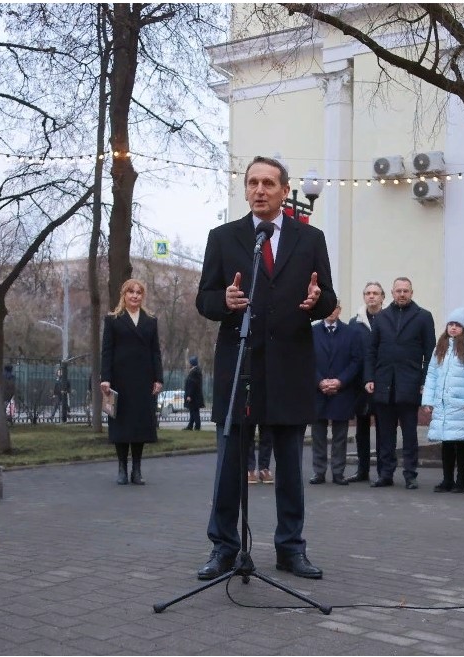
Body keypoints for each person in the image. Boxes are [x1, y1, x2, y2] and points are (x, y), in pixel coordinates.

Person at [195, 155, 336, 581]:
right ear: (245, 190)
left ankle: (291, 549)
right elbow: (205, 298)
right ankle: (223, 548)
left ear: (283, 190)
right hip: (239, 367)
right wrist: (226, 302)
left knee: (290, 468)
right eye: (253, 183)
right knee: (229, 467)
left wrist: (318, 303)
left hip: (290, 367)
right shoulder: (224, 238)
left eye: (268, 183)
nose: (259, 190)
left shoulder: (310, 239)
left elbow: (328, 296)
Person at [364, 277, 435, 490]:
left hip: (410, 384)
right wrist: (369, 377)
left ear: (412, 293)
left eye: (405, 291)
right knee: (385, 433)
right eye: (398, 291)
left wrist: (424, 382)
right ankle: (385, 473)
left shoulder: (423, 317)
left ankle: (410, 474)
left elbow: (429, 353)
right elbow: (371, 351)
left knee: (410, 434)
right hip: (384, 384)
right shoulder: (381, 317)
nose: (402, 294)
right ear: (392, 293)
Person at [100, 278, 164, 486]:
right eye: (131, 292)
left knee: (139, 425)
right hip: (119, 380)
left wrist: (158, 378)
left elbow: (156, 352)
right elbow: (107, 351)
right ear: (124, 295)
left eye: (138, 292)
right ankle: (121, 468)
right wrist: (106, 378)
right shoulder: (113, 320)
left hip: (143, 380)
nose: (135, 296)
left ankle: (136, 470)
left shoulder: (150, 320)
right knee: (121, 425)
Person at [421, 308, 464, 493]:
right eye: (450, 324)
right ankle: (447, 479)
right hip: (443, 404)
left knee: (461, 442)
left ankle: (461, 481)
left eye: (457, 325)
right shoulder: (440, 348)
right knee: (446, 443)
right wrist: (428, 400)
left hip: (461, 405)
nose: (453, 328)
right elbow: (431, 375)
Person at [310, 300, 363, 486]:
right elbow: (306, 360)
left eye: (334, 308)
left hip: (342, 391)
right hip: (318, 390)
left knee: (340, 435)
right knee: (318, 434)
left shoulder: (351, 333)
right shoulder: (312, 331)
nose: (331, 311)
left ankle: (338, 472)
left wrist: (340, 381)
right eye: (327, 307)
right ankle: (319, 471)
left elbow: (356, 361)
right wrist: (319, 381)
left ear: (339, 310)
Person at [346, 281, 385, 483]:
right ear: (364, 297)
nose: (371, 296)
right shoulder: (355, 323)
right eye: (368, 293)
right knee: (361, 429)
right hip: (360, 384)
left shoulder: (388, 319)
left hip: (382, 382)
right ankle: (362, 470)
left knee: (383, 429)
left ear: (382, 297)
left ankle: (382, 471)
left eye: (375, 293)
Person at [183, 355, 204, 431]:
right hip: (195, 396)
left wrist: (189, 395)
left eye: (189, 362)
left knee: (194, 412)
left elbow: (192, 385)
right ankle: (190, 425)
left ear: (192, 363)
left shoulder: (194, 372)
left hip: (193, 396)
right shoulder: (196, 371)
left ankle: (197, 426)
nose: (188, 364)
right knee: (193, 411)